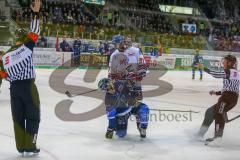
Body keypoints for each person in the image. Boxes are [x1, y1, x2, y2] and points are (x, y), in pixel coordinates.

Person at [1, 0, 41, 156]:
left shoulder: (7, 55)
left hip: (14, 89)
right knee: (33, 117)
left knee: (18, 119)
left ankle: (21, 148)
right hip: (29, 88)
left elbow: (2, 74)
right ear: (23, 38)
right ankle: (30, 147)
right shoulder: (26, 48)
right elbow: (35, 32)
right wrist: (36, 13)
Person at [197, 54, 239, 146]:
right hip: (229, 97)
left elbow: (216, 74)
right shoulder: (234, 72)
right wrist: (216, 93)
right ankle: (200, 134)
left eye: (225, 61)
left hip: (228, 98)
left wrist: (204, 68)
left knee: (219, 114)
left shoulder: (230, 71)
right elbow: (230, 88)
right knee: (210, 112)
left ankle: (218, 138)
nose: (223, 62)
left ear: (230, 63)